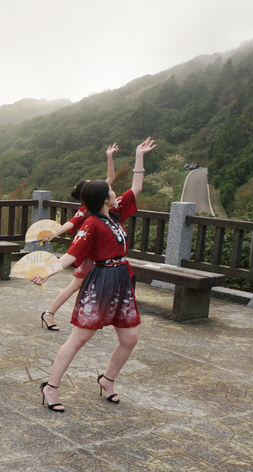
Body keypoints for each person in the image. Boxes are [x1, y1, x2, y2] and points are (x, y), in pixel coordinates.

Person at [31, 138, 156, 412]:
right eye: (110, 190)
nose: (114, 191)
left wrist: (139, 156)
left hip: (122, 279)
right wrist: (47, 272)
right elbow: (72, 256)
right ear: (103, 198)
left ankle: (107, 379)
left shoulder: (114, 213)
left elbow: (136, 187)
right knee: (79, 339)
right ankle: (51, 387)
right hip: (100, 282)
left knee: (130, 338)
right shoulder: (90, 223)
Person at [39, 144, 119, 332]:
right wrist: (54, 233)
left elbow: (110, 179)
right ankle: (49, 313)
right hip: (92, 254)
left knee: (85, 286)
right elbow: (70, 223)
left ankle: (92, 317)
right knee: (76, 284)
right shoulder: (87, 210)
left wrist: (109, 157)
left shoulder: (99, 203)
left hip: (104, 254)